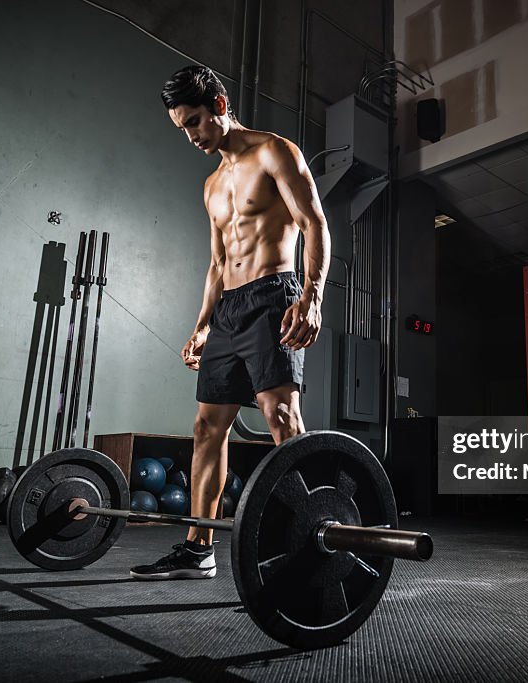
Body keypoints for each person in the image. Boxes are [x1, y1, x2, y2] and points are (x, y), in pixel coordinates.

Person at [130, 65, 330, 580]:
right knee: (205, 427)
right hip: (230, 309)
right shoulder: (211, 185)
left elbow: (314, 224)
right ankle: (198, 549)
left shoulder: (274, 151)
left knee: (281, 417)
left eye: (195, 121)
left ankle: (313, 531)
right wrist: (201, 325)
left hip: (274, 294)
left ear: (220, 105)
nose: (192, 136)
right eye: (183, 129)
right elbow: (217, 263)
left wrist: (311, 296)